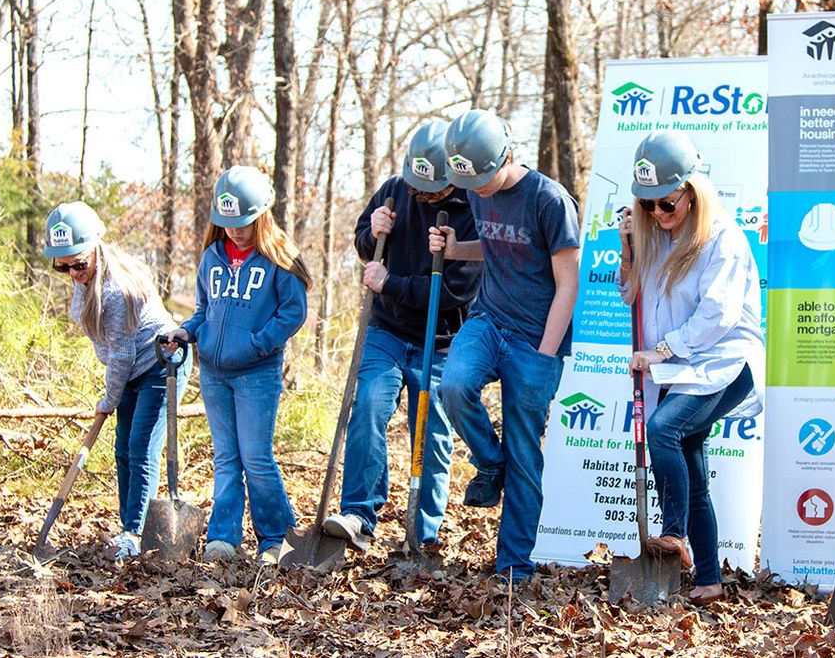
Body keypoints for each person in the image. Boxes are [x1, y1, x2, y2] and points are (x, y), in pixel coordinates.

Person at [428, 109, 580, 581]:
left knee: (524, 451)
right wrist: (456, 247)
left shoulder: (550, 201)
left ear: (508, 156)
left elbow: (568, 283)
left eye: (485, 178)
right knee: (453, 385)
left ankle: (514, 564)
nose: (478, 189)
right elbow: (496, 246)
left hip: (535, 338)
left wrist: (545, 354)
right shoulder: (475, 188)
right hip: (488, 319)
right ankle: (488, 463)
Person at [617, 130, 765, 605]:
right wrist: (629, 248)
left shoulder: (722, 237)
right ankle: (708, 579)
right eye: (648, 205)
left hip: (725, 364)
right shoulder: (654, 234)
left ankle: (674, 532)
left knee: (663, 430)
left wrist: (662, 350)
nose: (658, 214)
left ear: (691, 190)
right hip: (682, 367)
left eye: (667, 203)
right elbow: (631, 295)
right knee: (693, 470)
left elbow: (717, 315)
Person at [321, 121, 481, 552]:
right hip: (387, 330)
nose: (421, 196)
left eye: (431, 191)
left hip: (443, 339)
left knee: (430, 433)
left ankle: (421, 532)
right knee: (370, 403)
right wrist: (371, 231)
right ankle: (359, 513)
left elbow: (453, 292)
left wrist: (389, 282)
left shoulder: (472, 209)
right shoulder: (396, 188)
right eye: (417, 185)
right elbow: (364, 246)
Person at [166, 167, 311, 565]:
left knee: (256, 457)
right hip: (213, 372)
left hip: (256, 374)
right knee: (226, 457)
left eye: (244, 223)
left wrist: (256, 344)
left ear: (261, 215)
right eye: (228, 223)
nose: (236, 232)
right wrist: (187, 333)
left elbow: (293, 313)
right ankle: (223, 535)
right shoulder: (212, 256)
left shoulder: (279, 259)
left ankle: (276, 538)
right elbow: (204, 310)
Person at [42, 201, 191, 560]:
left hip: (160, 365)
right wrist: (113, 393)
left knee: (141, 449)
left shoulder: (116, 289)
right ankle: (128, 527)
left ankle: (136, 533)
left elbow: (121, 355)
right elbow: (112, 350)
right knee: (122, 450)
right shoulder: (87, 278)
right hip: (129, 371)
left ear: (95, 248)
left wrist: (108, 399)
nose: (73, 272)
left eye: (78, 263)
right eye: (63, 266)